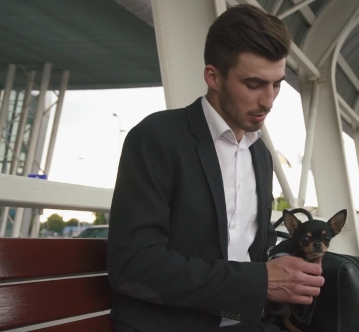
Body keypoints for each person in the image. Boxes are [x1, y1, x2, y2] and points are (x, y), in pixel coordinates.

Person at [107, 4, 324, 332]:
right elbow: (134, 266)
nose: (269, 100)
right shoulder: (157, 138)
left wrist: (286, 264)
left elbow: (253, 248)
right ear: (213, 77)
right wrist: (258, 281)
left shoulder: (260, 156)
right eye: (254, 84)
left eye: (277, 83)